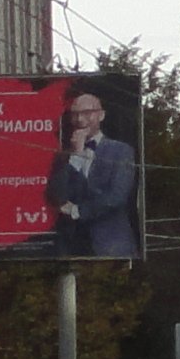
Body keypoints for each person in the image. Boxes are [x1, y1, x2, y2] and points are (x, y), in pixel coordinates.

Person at [46, 86, 137, 258]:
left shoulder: (120, 151)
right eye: (75, 114)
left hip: (111, 245)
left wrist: (78, 210)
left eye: (87, 113)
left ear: (101, 115)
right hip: (72, 246)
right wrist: (76, 155)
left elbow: (117, 196)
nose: (80, 119)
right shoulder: (63, 156)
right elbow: (56, 195)